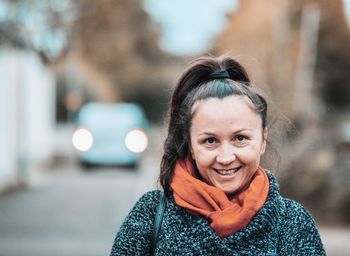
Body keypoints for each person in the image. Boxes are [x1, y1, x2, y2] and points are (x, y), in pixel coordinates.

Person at [110, 55, 326, 255]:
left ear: (262, 140)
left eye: (240, 138)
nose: (225, 157)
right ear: (191, 147)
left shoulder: (293, 223)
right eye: (210, 141)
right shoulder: (150, 215)